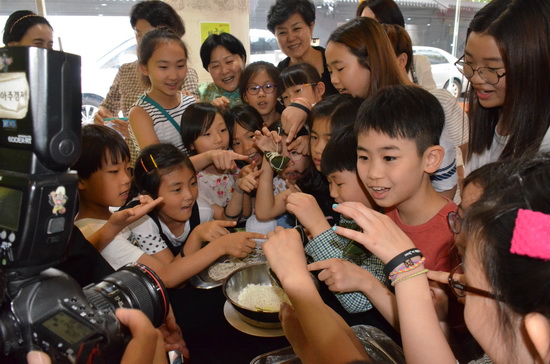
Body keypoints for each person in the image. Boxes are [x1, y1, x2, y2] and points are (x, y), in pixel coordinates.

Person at [72, 125, 263, 288]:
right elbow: (165, 277)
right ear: (81, 179)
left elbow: (172, 172)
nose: (125, 179)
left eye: (126, 169)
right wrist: (219, 246)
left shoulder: (112, 215)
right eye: (113, 171)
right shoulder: (96, 231)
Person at [325, 17, 459, 199]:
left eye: (340, 69)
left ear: (371, 62)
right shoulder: (355, 108)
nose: (333, 79)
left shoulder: (421, 107)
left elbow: (445, 187)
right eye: (330, 71)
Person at [354, 84, 458, 273]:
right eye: (364, 158)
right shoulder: (380, 215)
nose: (373, 173)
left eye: (389, 158)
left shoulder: (455, 237)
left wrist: (368, 285)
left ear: (430, 159)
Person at [460, 0, 550, 174]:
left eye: (492, 69)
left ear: (534, 67)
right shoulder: (490, 118)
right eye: (469, 62)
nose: (476, 78)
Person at [95, 0, 199, 144]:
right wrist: (102, 116)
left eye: (151, 34)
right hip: (131, 162)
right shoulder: (125, 71)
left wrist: (141, 132)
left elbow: (191, 127)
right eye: (138, 33)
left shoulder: (184, 75)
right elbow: (108, 107)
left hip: (170, 161)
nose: (142, 41)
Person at [381, 23, 468, 189]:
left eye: (378, 60)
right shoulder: (374, 110)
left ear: (401, 60)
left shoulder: (438, 101)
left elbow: (467, 155)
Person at [128, 28, 195, 158]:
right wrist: (208, 157)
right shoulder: (141, 113)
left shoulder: (191, 102)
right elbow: (160, 166)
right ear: (144, 68)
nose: (173, 76)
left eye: (180, 65)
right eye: (163, 67)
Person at [180, 103, 251, 221]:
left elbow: (246, 213)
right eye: (207, 134)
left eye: (223, 130)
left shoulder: (233, 162)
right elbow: (227, 220)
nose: (219, 139)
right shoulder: (195, 183)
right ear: (191, 144)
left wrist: (243, 179)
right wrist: (239, 187)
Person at [356, 0, 437, 90]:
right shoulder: (358, 65)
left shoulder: (418, 63)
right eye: (364, 26)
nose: (371, 32)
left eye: (376, 25)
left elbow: (432, 100)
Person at [224, 104, 278, 235]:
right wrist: (242, 183)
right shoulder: (236, 171)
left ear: (264, 128)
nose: (247, 147)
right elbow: (246, 214)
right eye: (237, 143)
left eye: (251, 136)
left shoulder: (283, 157)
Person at [267, 0, 338, 96]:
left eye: (296, 29)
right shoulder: (277, 75)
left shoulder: (334, 61)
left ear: (311, 27)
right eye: (282, 32)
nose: (291, 38)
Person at [198, 32, 246, 113]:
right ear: (208, 70)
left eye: (229, 61)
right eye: (215, 66)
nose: (224, 71)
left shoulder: (257, 89)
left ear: (243, 59)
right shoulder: (201, 95)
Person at [239, 61, 281, 127]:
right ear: (245, 97)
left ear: (278, 91)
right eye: (254, 88)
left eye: (268, 86)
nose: (261, 94)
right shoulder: (240, 127)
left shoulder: (290, 121)